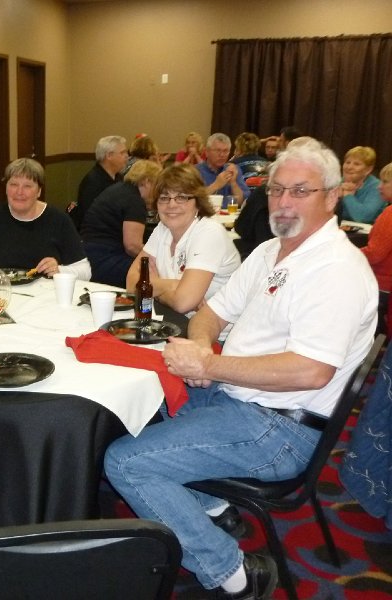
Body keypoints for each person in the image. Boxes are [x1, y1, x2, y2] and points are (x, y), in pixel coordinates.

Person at [105, 138, 378, 599]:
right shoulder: (271, 251)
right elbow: (211, 313)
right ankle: (210, 504)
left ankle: (232, 572)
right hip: (238, 397)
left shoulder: (336, 270)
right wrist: (198, 354)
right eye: (276, 190)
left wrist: (210, 362)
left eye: (300, 191)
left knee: (125, 461)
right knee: (140, 403)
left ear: (332, 197)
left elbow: (310, 372)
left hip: (279, 428)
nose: (284, 202)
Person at [125, 164, 240, 317]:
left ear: (198, 202)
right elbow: (131, 284)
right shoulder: (163, 229)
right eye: (164, 198)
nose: (171, 205)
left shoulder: (209, 233)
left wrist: (151, 286)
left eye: (181, 197)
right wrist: (173, 285)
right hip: (173, 321)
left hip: (212, 335)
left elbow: (182, 303)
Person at [0, 158, 91, 280]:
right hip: (0, 294)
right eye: (13, 185)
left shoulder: (59, 220)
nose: (19, 192)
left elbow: (85, 271)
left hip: (44, 300)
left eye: (27, 186)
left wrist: (59, 270)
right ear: (6, 188)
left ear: (39, 191)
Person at [80, 160, 160, 287]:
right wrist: (158, 261)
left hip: (89, 254)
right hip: (105, 259)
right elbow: (132, 246)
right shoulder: (134, 200)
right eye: (157, 185)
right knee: (153, 274)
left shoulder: (119, 189)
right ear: (147, 181)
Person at [69, 135, 128, 229]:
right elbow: (91, 215)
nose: (126, 156)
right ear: (109, 156)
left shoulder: (119, 177)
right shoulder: (92, 182)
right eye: (122, 153)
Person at [360, 162, 392, 330]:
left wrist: (348, 252)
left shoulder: (390, 213)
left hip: (381, 286)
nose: (379, 187)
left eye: (385, 182)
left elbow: (374, 254)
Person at [196, 133, 250, 207]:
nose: (222, 155)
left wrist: (233, 183)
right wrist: (215, 185)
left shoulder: (233, 169)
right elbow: (193, 200)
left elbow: (242, 202)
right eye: (218, 150)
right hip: (204, 216)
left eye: (225, 151)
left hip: (229, 216)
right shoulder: (195, 171)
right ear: (206, 152)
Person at [338, 146, 384, 224]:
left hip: (365, 233)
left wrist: (348, 196)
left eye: (356, 164)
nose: (349, 167)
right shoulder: (336, 182)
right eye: (347, 162)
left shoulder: (378, 187)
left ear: (368, 169)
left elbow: (363, 217)